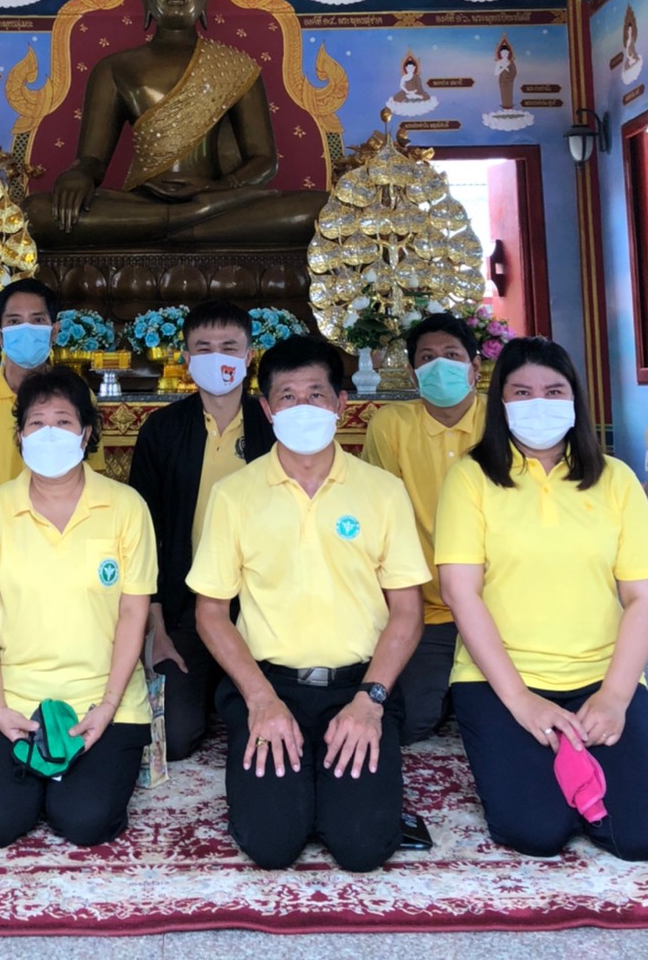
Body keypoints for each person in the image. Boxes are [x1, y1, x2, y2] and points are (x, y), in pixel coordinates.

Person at [435, 336, 648, 862]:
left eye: (553, 390)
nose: (538, 403)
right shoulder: (471, 478)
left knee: (642, 837)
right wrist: (520, 700)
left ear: (574, 399)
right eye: (521, 392)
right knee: (536, 832)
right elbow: (460, 592)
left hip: (600, 675)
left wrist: (615, 697)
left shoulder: (615, 480)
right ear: (500, 402)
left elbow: (645, 596)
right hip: (500, 680)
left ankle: (582, 763)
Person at [188, 336, 427, 871]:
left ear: (341, 403)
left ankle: (340, 789)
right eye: (288, 396)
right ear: (267, 409)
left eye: (316, 394)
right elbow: (211, 613)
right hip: (271, 687)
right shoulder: (235, 495)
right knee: (271, 845)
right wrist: (260, 700)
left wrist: (371, 701)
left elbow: (408, 611)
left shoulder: (383, 491)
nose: (303, 408)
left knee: (363, 848)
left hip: (359, 686)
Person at [25, 0, 325, 246]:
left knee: (318, 209)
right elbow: (92, 159)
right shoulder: (114, 69)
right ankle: (182, 223)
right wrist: (78, 175)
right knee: (36, 213)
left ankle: (173, 225)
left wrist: (217, 188)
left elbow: (264, 161)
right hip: (140, 203)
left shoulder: (238, 66)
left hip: (216, 200)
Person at [0, 366, 156, 848]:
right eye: (36, 423)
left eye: (63, 422)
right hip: (8, 692)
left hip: (101, 695)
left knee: (86, 822)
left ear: (86, 434)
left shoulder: (126, 507)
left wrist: (108, 706)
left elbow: (134, 613)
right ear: (20, 436)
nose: (49, 434)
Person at [129, 300, 274, 759]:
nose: (218, 358)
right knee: (174, 738)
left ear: (249, 356)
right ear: (187, 359)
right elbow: (143, 534)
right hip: (186, 608)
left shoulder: (275, 427)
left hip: (260, 607)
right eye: (204, 348)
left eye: (229, 347)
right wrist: (155, 629)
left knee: (266, 729)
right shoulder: (162, 430)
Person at [362, 312, 485, 744]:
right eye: (427, 358)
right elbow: (381, 520)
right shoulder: (391, 426)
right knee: (410, 721)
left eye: (452, 355)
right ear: (414, 373)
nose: (440, 365)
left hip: (497, 604)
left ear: (475, 366)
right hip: (427, 608)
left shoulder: (502, 423)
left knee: (501, 715)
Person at [0, 278, 106, 523]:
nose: (26, 330)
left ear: (54, 331)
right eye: (15, 322)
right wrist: (13, 537)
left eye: (37, 320)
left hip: (67, 535)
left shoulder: (78, 395)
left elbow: (94, 482)